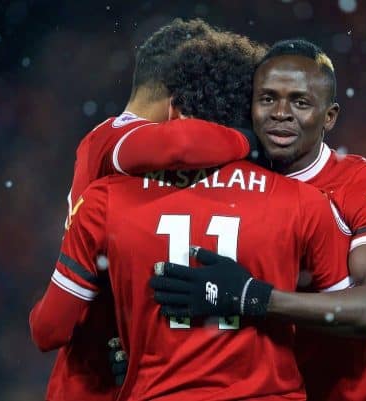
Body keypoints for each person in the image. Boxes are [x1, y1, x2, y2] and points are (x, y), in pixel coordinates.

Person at [29, 33, 353, 400]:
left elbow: (50, 329)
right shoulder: (299, 200)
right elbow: (344, 318)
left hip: (118, 376)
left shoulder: (108, 198)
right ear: (175, 110)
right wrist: (249, 143)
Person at [114, 39, 366, 401]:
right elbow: (202, 292)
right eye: (268, 98)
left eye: (300, 102)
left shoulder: (362, 187)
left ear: (329, 116)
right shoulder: (222, 181)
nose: (281, 113)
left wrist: (253, 297)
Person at [29, 19, 260, 401]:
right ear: (176, 103)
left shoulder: (125, 170)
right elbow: (180, 147)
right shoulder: (112, 140)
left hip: (133, 371)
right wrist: (254, 142)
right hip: (97, 378)